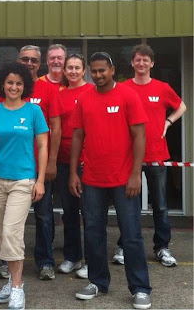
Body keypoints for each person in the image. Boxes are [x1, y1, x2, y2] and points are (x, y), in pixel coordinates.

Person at [69, 52, 152, 310]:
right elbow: (77, 136)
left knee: (131, 235)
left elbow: (139, 136)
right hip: (92, 179)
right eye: (93, 71)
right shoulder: (84, 98)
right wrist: (73, 172)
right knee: (93, 233)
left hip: (123, 179)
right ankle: (97, 282)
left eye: (102, 70)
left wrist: (135, 174)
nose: (97, 75)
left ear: (112, 70)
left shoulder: (128, 95)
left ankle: (140, 288)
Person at [0, 62, 48, 310]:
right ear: (2, 84)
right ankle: (11, 281)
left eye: (19, 83)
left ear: (25, 86)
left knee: (11, 233)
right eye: (9, 82)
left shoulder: (33, 111)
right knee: (0, 239)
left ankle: (17, 288)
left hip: (23, 180)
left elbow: (42, 146)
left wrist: (40, 180)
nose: (14, 87)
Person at [112, 44, 186, 267]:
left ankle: (162, 247)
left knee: (160, 206)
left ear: (152, 63)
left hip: (156, 155)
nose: (141, 63)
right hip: (129, 158)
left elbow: (181, 107)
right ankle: (126, 245)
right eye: (138, 60)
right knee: (128, 206)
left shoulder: (162, 88)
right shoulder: (123, 88)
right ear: (132, 63)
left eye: (145, 60)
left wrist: (168, 122)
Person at [17, 45, 61, 281]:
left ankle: (45, 262)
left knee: (43, 216)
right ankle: (8, 261)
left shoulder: (48, 89)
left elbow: (56, 128)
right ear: (18, 60)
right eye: (25, 59)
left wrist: (52, 161)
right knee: (13, 218)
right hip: (15, 166)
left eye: (33, 60)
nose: (29, 63)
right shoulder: (10, 87)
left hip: (40, 166)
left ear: (39, 63)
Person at [56, 53, 91, 279]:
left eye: (77, 67)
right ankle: (72, 257)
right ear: (64, 70)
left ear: (84, 70)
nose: (73, 71)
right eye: (70, 67)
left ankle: (91, 260)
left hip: (87, 161)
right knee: (69, 212)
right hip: (64, 160)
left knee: (89, 213)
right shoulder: (59, 95)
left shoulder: (92, 91)